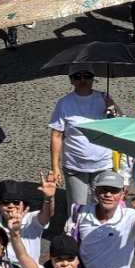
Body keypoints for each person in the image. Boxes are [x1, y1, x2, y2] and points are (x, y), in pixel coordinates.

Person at [48, 69, 117, 206]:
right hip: (75, 165)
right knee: (77, 209)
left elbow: (118, 126)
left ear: (93, 79)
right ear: (71, 80)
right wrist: (55, 167)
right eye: (78, 76)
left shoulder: (105, 99)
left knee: (103, 208)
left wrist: (112, 110)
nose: (83, 80)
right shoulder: (64, 103)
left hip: (103, 164)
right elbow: (56, 135)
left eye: (87, 76)